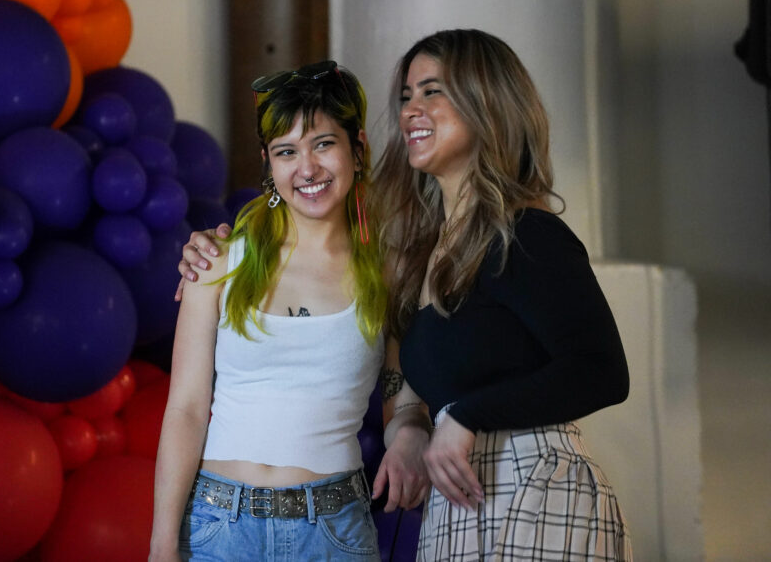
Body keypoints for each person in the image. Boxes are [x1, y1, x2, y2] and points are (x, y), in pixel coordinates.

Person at [178, 29, 633, 561]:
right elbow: (416, 381)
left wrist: (463, 417)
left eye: (432, 91)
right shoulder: (431, 252)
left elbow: (602, 371)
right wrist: (414, 424)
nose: (412, 108)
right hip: (459, 506)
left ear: (487, 104)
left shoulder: (525, 233)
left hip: (534, 495)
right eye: (406, 96)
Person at [150, 60, 429, 562]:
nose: (307, 168)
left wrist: (410, 429)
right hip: (218, 526)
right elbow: (187, 409)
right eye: (287, 151)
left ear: (357, 149)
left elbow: (399, 392)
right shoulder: (218, 261)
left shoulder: (391, 270)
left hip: (334, 529)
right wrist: (162, 543)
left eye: (323, 143)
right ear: (269, 165)